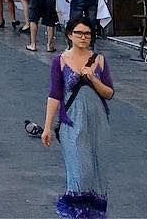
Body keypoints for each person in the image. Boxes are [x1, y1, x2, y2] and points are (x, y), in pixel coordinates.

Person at [41, 16, 114, 219]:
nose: (83, 37)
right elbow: (54, 95)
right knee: (81, 173)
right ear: (69, 35)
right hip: (72, 123)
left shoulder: (99, 60)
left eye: (88, 34)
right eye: (79, 33)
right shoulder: (60, 61)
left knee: (97, 175)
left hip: (98, 123)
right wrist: (47, 127)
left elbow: (109, 93)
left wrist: (93, 78)